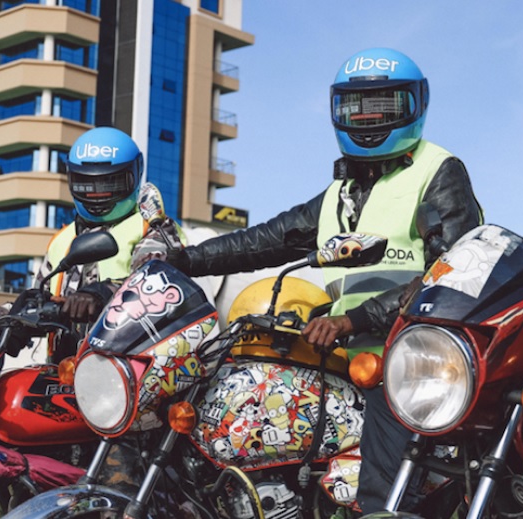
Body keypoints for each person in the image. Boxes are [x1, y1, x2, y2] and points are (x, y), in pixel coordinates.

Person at [167, 47, 482, 512]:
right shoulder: (342, 191)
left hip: (411, 366)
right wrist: (185, 260)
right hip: (343, 359)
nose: (370, 116)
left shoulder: (438, 172)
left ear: (415, 104)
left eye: (385, 105)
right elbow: (263, 240)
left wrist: (352, 320)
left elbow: (451, 270)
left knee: (384, 489)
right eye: (357, 106)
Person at [35, 126, 182, 361]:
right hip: (62, 370)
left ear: (136, 172)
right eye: (86, 184)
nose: (96, 194)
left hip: (125, 374)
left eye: (109, 183)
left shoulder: (153, 230)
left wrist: (101, 294)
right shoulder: (62, 239)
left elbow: (158, 284)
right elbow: (40, 293)